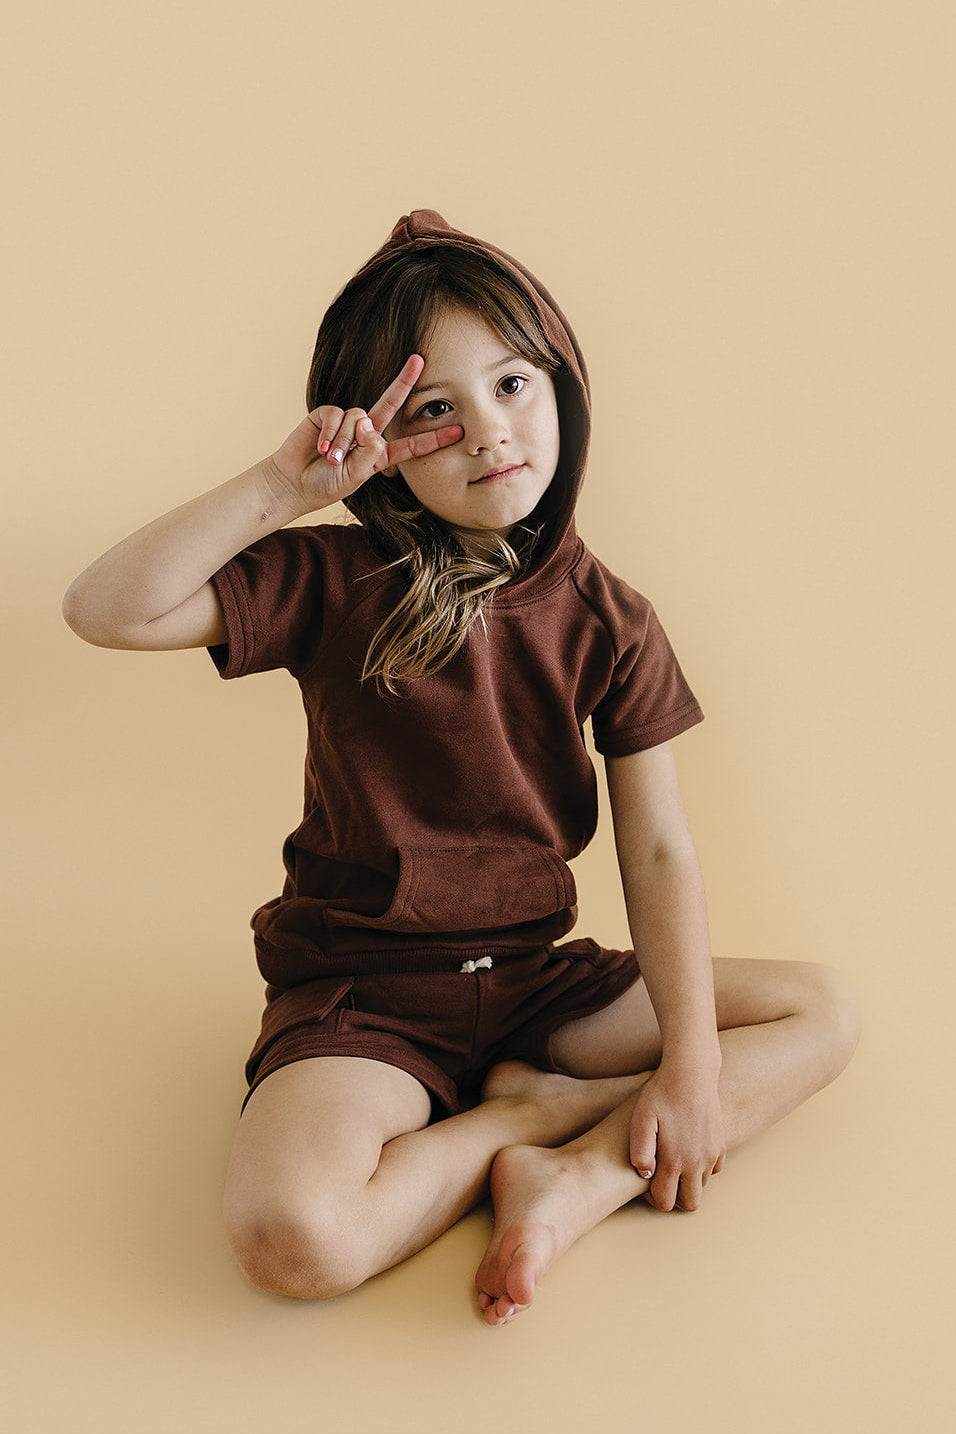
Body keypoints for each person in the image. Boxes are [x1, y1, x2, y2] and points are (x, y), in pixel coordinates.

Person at [63, 210, 860, 1326]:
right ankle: (522, 1121)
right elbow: (105, 608)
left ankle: (573, 1181)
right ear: (378, 441)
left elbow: (659, 851)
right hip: (368, 994)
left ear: (562, 386)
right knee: (293, 1238)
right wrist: (283, 490)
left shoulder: (613, 619)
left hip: (539, 987)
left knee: (821, 1012)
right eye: (433, 410)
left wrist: (689, 1067)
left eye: (512, 384)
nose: (487, 431)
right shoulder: (334, 579)